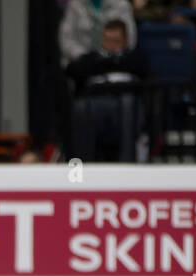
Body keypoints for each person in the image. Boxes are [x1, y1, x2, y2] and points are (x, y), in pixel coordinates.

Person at [66, 18, 147, 162]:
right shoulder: (92, 58)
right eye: (108, 40)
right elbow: (74, 70)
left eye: (116, 41)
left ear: (125, 40)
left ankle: (126, 163)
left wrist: (112, 63)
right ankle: (82, 164)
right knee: (81, 107)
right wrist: (109, 62)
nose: (111, 46)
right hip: (97, 104)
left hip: (124, 105)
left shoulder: (134, 57)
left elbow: (141, 70)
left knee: (127, 104)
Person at [58, 0, 136, 68]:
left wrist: (113, 56)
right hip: (81, 63)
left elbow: (130, 38)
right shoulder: (75, 4)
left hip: (117, 63)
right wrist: (85, 57)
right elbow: (66, 39)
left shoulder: (121, 4)